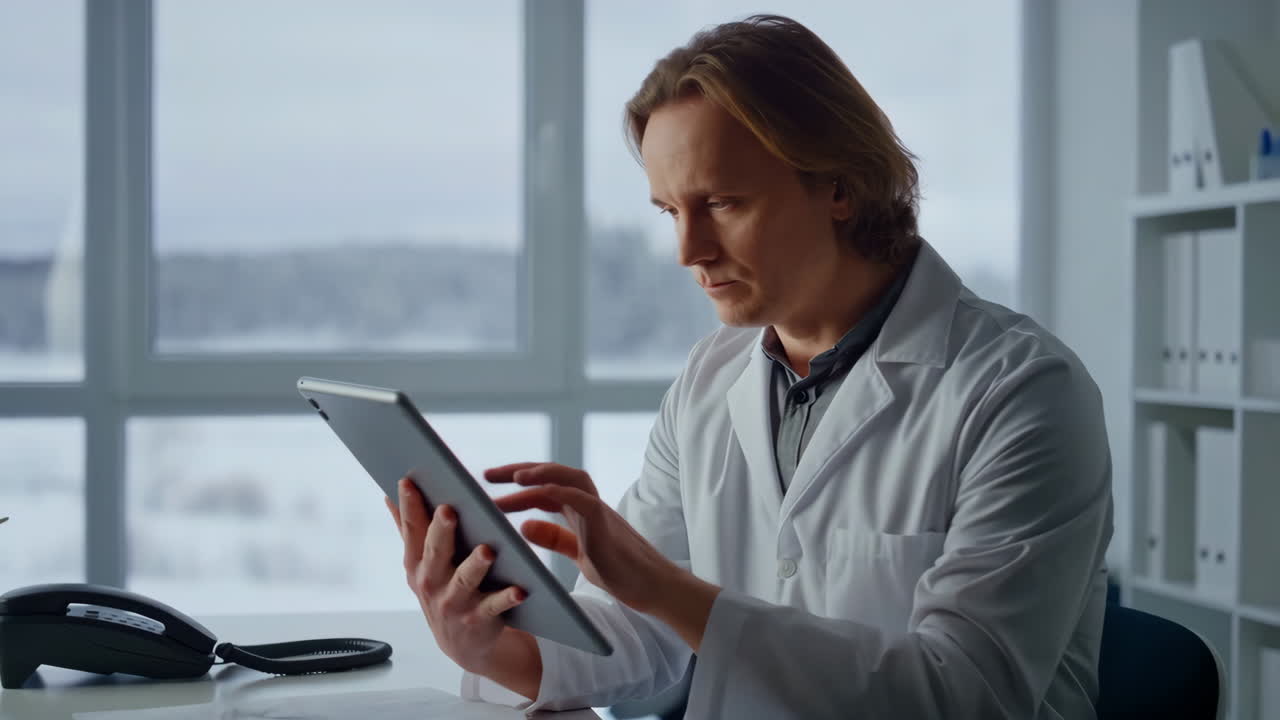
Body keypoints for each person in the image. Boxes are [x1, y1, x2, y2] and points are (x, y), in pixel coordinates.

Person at [384, 14, 1113, 719]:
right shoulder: (711, 380)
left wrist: (668, 590)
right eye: (670, 211)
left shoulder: (1022, 393)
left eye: (723, 203)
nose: (688, 250)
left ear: (838, 185)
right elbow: (642, 637)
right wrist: (488, 646)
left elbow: (963, 696)